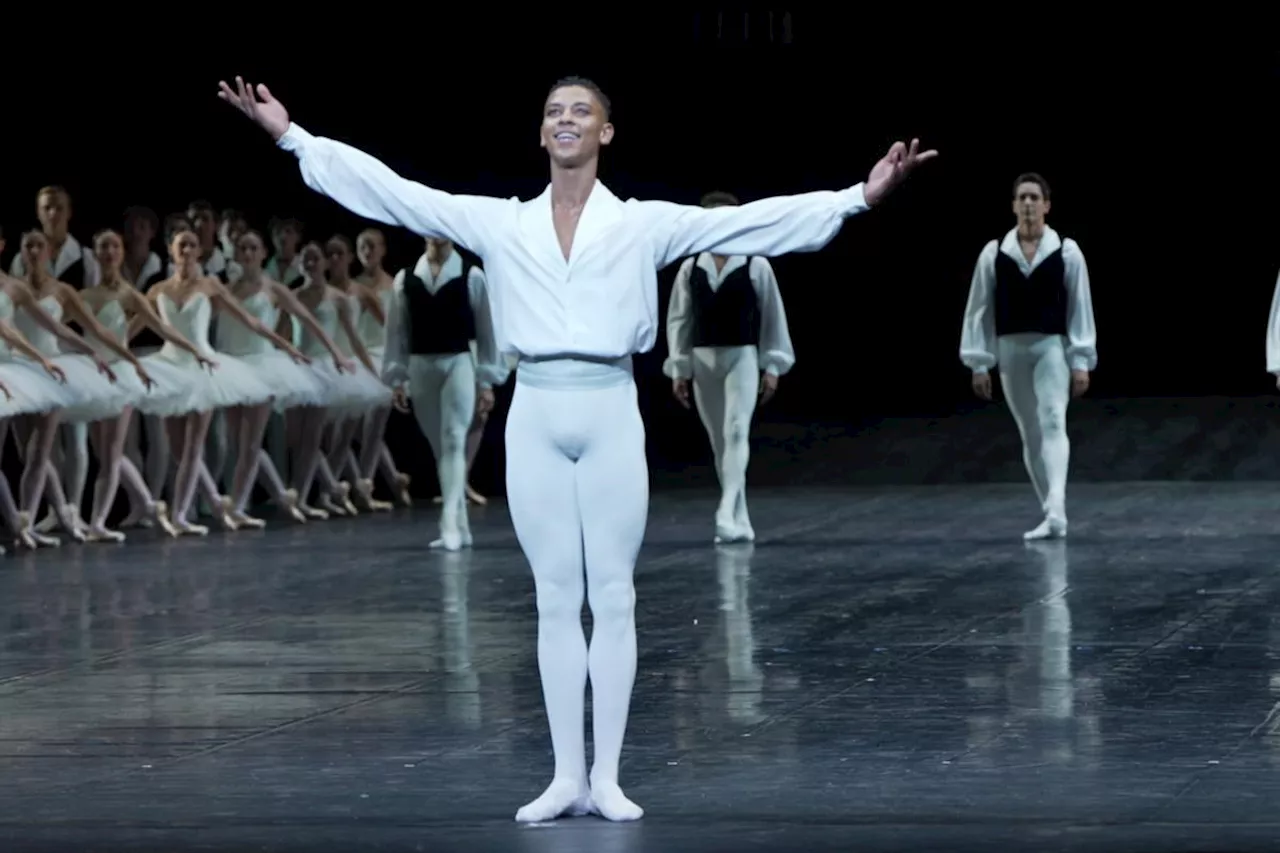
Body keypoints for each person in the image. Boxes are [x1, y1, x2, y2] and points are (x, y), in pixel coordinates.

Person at [218, 73, 935, 823]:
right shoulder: (501, 223)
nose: (566, 121)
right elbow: (396, 193)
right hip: (535, 411)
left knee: (614, 595)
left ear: (606, 132)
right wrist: (292, 136)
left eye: (580, 112)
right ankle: (566, 775)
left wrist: (858, 196)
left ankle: (609, 775)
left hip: (609, 408)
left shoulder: (642, 224)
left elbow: (750, 225)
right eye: (554, 112)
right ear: (540, 134)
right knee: (556, 599)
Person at [959, 172, 1096, 540]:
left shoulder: (1066, 250)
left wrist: (1080, 360)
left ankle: (1058, 501)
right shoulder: (995, 253)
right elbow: (978, 309)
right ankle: (1051, 513)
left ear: (1047, 205)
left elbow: (1080, 307)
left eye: (1035, 197)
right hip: (1011, 348)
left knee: (1052, 419)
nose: (1029, 204)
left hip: (1051, 346)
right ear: (1014, 205)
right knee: (1030, 432)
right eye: (1022, 197)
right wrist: (979, 362)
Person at [664, 191, 795, 544]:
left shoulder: (755, 263)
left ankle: (724, 509)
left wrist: (773, 365)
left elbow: (773, 316)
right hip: (704, 360)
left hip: (742, 357)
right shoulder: (691, 267)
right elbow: (679, 320)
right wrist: (679, 367)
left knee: (737, 430)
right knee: (720, 441)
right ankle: (741, 516)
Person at [385, 236, 508, 550]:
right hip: (420, 365)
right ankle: (462, 525)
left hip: (458, 363)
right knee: (440, 447)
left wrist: (486, 381)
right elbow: (398, 330)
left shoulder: (471, 275)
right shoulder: (406, 278)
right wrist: (397, 376)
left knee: (454, 437)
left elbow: (487, 331)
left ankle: (449, 521)